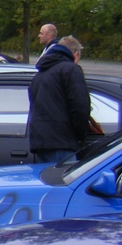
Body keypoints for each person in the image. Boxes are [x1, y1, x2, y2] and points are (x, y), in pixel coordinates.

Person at [28, 34, 90, 164]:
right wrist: (81, 135)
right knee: (65, 176)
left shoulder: (40, 74)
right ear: (76, 54)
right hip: (63, 142)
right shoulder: (71, 69)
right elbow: (80, 107)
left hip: (40, 141)